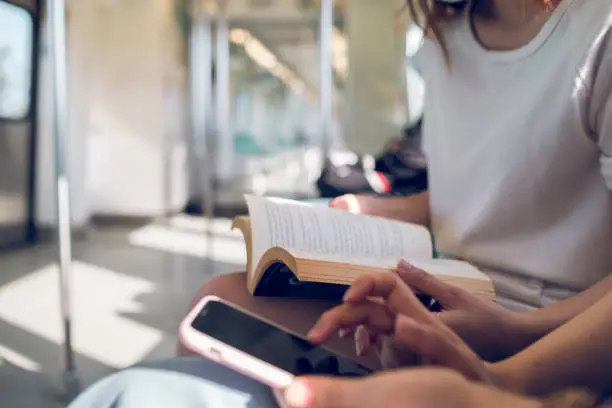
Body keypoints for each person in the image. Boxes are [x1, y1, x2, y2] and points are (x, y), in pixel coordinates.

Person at [68, 262, 612, 408]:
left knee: (130, 394)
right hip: (459, 288)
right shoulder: (448, 34)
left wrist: (501, 378)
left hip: (543, 335)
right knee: (219, 299)